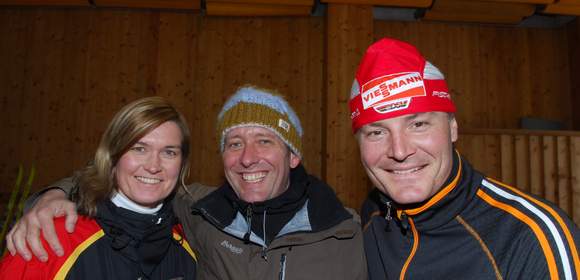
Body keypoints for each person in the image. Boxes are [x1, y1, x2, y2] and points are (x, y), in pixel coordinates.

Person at [6, 86, 368, 280]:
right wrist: (51, 195)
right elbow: (118, 183)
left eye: (265, 140)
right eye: (234, 143)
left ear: (293, 156)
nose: (247, 157)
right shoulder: (202, 214)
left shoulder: (350, 233)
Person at [350, 37, 580, 279]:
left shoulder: (533, 238)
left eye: (418, 124)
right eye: (376, 132)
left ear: (452, 128)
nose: (398, 151)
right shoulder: (372, 216)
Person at [0, 97, 197, 279]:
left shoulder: (186, 243)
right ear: (112, 156)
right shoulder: (54, 236)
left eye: (169, 152)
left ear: (181, 164)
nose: (153, 166)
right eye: (139, 149)